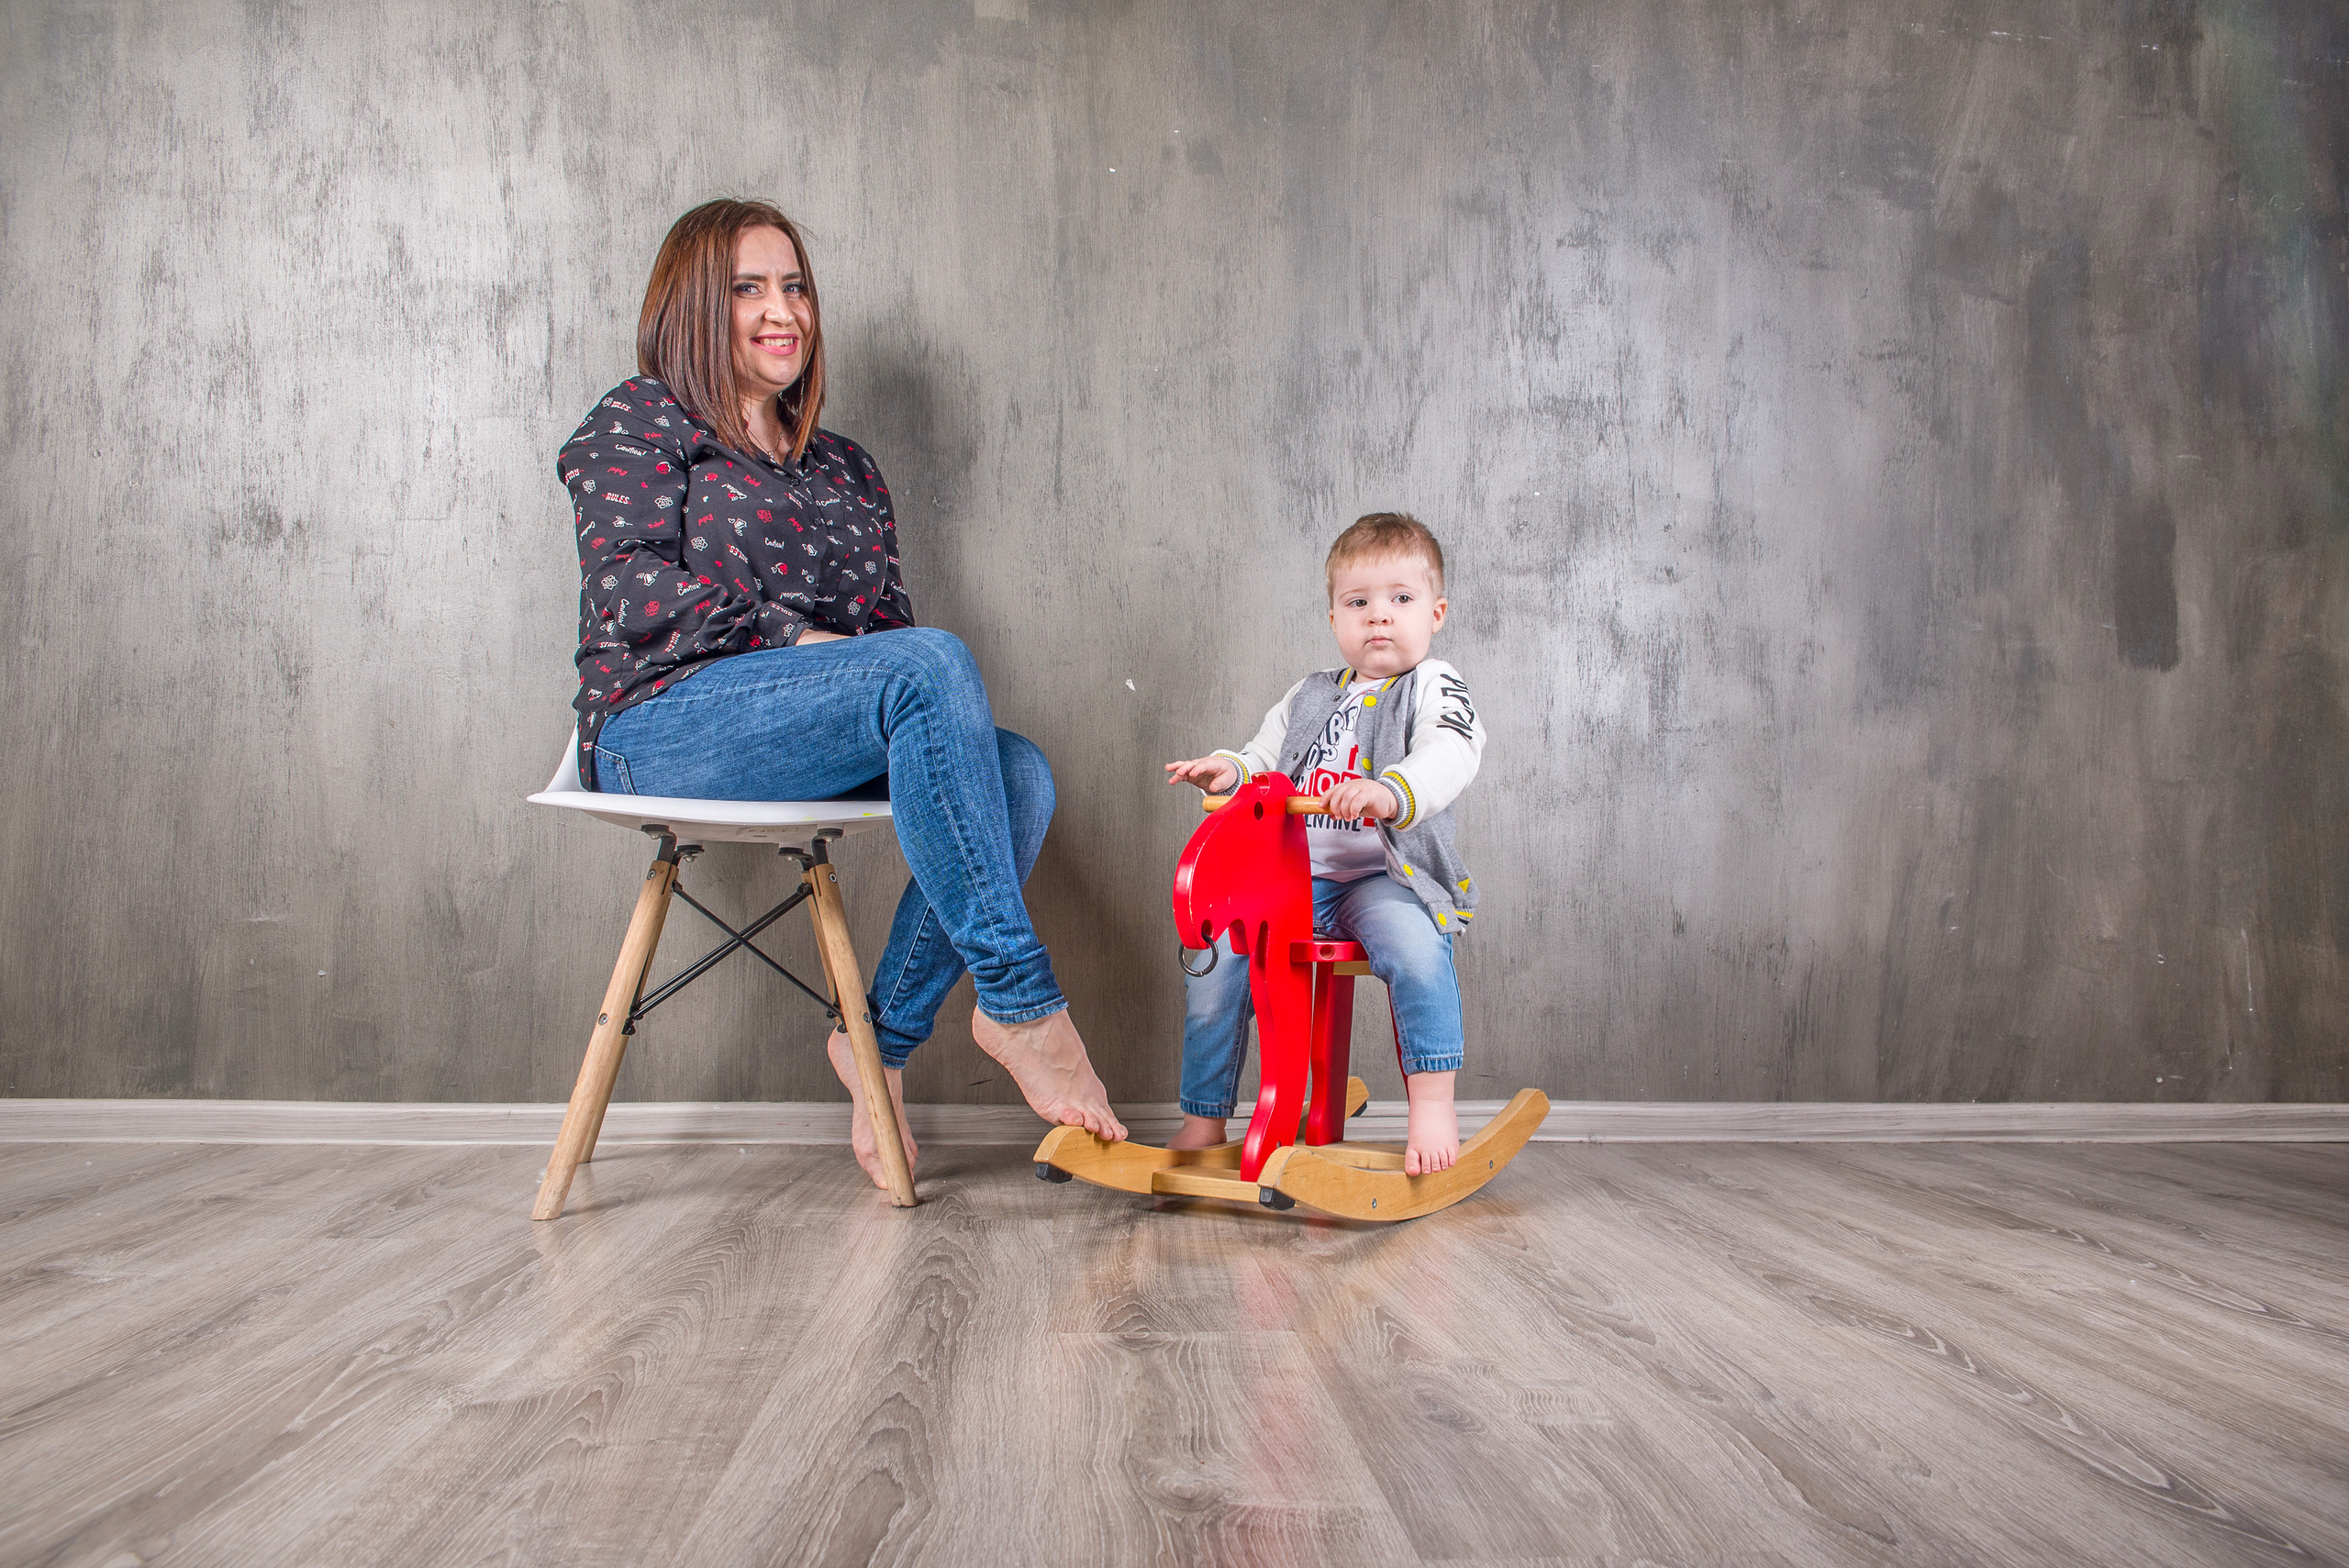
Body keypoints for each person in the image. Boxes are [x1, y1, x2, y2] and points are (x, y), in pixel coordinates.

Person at [560, 198, 1126, 1187]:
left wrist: (858, 659)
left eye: (796, 287)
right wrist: (794, 636)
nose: (783, 311)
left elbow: (887, 637)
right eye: (748, 288)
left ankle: (879, 1045)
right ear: (693, 303)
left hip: (795, 727)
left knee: (1018, 772)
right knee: (927, 661)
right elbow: (628, 587)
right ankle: (1022, 1004)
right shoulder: (642, 416)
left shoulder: (846, 467)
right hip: (659, 723)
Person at [1163, 513, 1485, 1174]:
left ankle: (1432, 1104)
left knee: (1417, 947)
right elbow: (1264, 758)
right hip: (1295, 882)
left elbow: (1452, 751)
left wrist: (1391, 791)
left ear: (1436, 613)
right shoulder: (1309, 694)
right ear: (1335, 617)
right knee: (1218, 956)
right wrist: (1230, 769)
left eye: (1401, 598)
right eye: (1358, 602)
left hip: (1382, 880)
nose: (1379, 616)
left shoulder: (1433, 685)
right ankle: (1204, 1117)